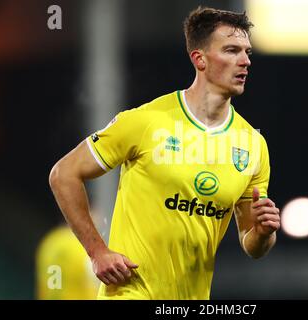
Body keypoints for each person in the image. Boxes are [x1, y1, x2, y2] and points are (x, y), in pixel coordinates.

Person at [49, 6, 280, 300]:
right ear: (200, 59)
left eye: (247, 52)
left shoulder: (252, 144)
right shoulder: (146, 121)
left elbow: (252, 245)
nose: (245, 61)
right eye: (232, 50)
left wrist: (263, 233)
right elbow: (63, 174)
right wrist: (97, 252)